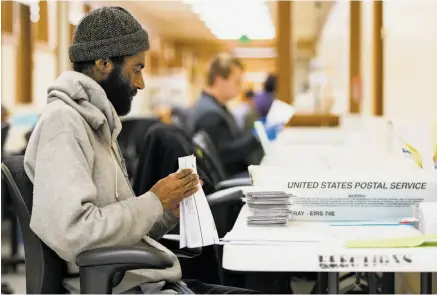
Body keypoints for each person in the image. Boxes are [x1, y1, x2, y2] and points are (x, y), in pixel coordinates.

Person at [23, 7, 255, 294]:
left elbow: (116, 232)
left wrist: (167, 211)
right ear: (104, 63)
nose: (141, 83)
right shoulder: (64, 124)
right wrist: (153, 201)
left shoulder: (96, 123)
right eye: (136, 69)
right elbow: (76, 233)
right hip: (128, 288)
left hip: (145, 281)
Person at [187, 53, 263, 178]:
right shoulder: (210, 115)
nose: (240, 87)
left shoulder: (215, 106)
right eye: (237, 82)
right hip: (229, 179)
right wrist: (256, 138)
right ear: (219, 80)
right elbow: (226, 155)